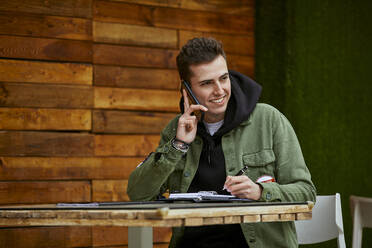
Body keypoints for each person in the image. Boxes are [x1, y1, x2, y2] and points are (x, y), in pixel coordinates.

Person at [127, 37, 316, 248]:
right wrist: (178, 145)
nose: (220, 90)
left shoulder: (268, 120)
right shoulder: (176, 129)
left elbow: (306, 192)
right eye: (207, 83)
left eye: (224, 78)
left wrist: (261, 192)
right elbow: (139, 194)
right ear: (187, 89)